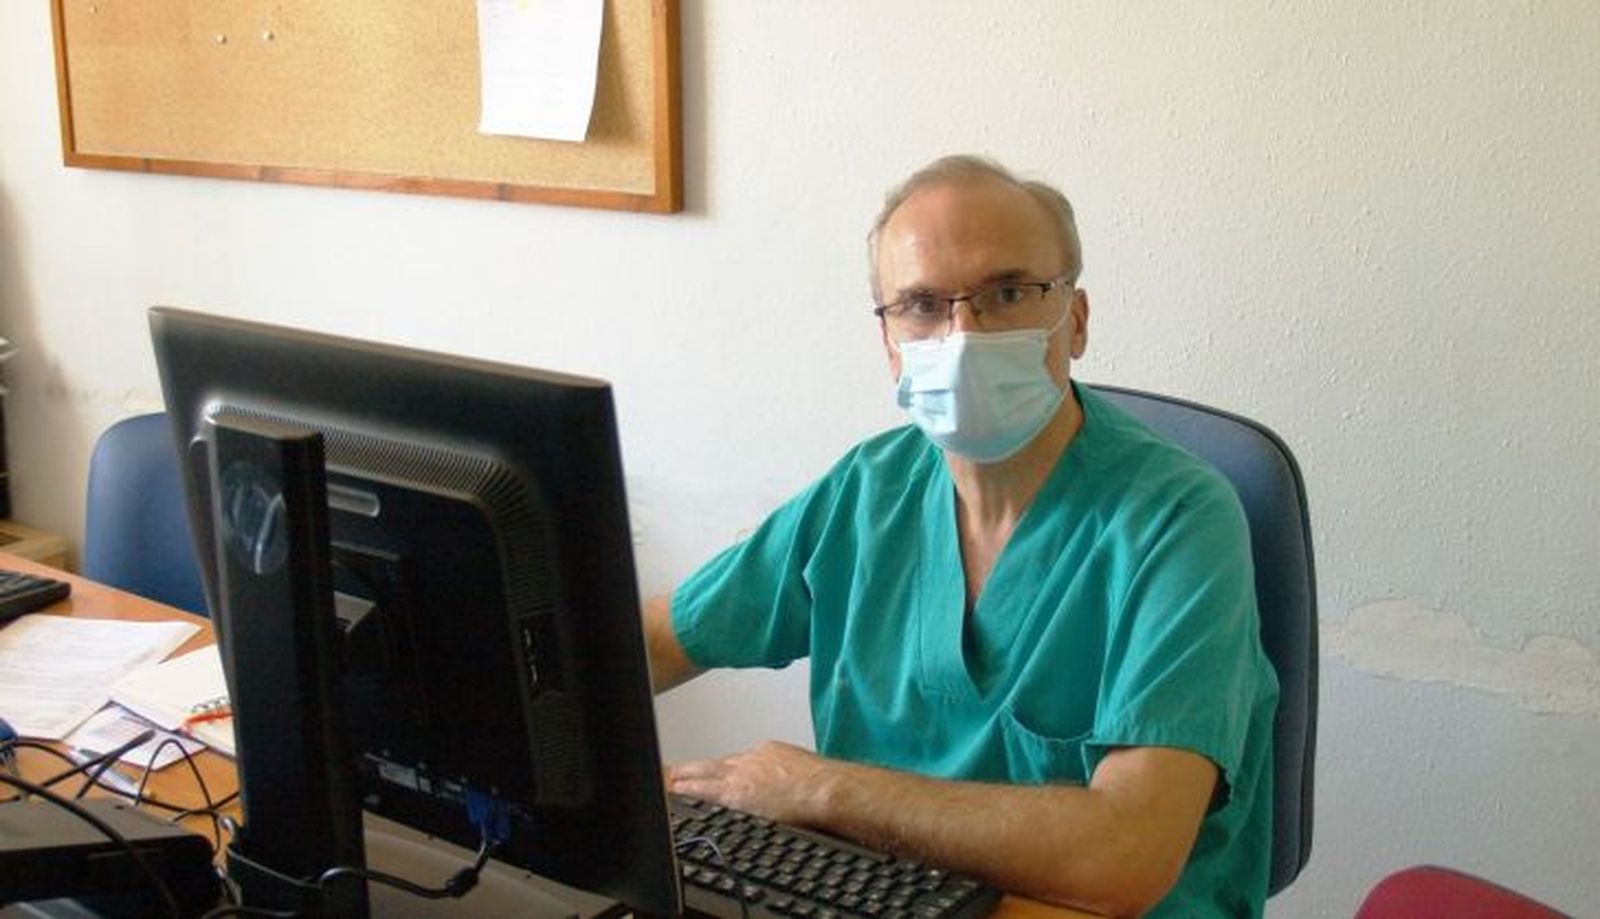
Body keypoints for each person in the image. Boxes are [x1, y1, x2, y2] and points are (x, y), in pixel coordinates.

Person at [643, 155, 1279, 919]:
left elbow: (1125, 854)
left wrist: (819, 787)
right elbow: (656, 638)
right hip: (879, 898)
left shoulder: (1177, 519)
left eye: (1007, 293)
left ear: (1073, 320)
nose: (963, 334)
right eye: (921, 305)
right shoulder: (866, 492)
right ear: (889, 344)